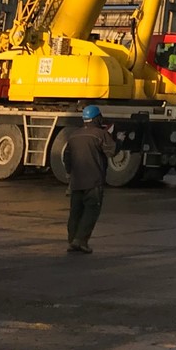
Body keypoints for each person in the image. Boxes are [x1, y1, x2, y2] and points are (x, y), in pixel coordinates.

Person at [63, 104, 117, 254]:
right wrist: (118, 139)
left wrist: (69, 173)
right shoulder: (100, 134)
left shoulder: (74, 135)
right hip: (93, 181)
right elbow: (111, 152)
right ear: (97, 118)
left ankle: (72, 241)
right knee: (91, 211)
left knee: (75, 212)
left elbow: (66, 157)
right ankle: (80, 241)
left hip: (76, 182)